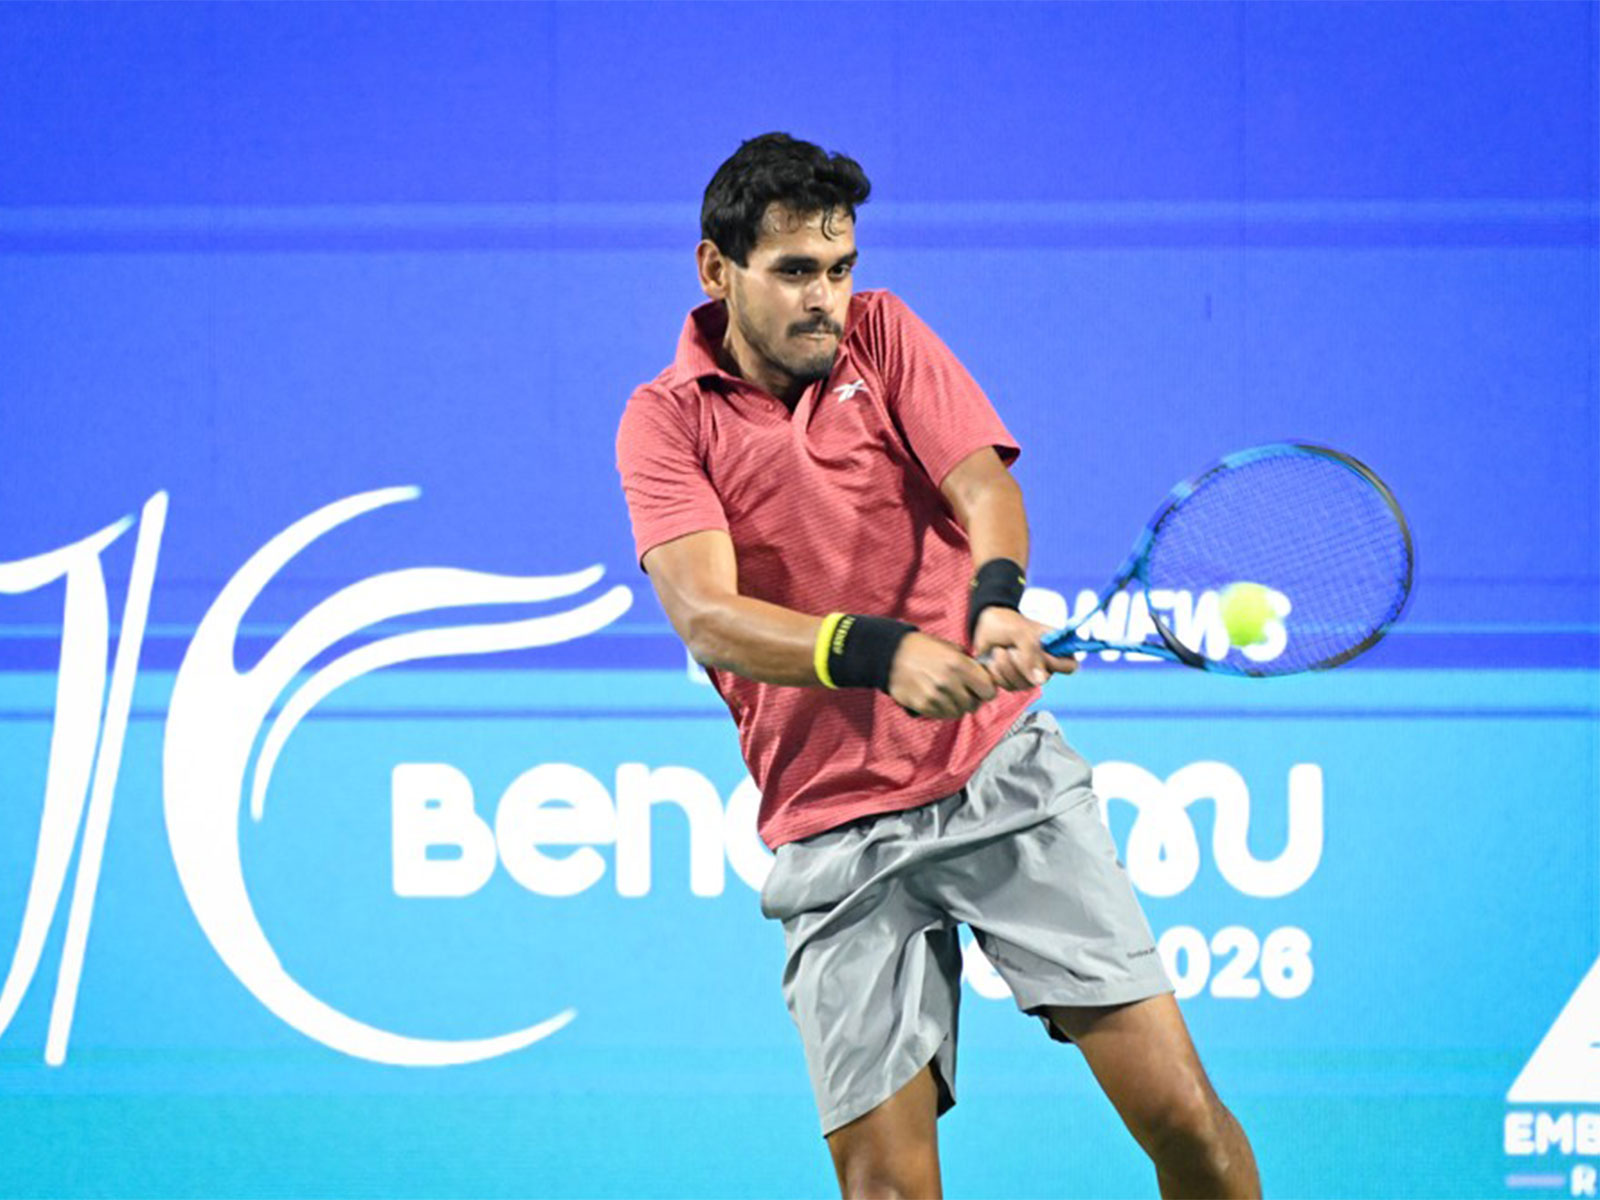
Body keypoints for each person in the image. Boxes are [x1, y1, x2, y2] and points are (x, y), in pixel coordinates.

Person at [616, 132, 1260, 1199]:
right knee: (885, 1190)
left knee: (1183, 1120)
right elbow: (708, 615)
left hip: (998, 782)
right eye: (792, 273)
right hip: (832, 829)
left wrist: (994, 602)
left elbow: (981, 488)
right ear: (714, 269)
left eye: (838, 268)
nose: (824, 297)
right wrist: (878, 652)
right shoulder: (664, 420)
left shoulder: (885, 335)